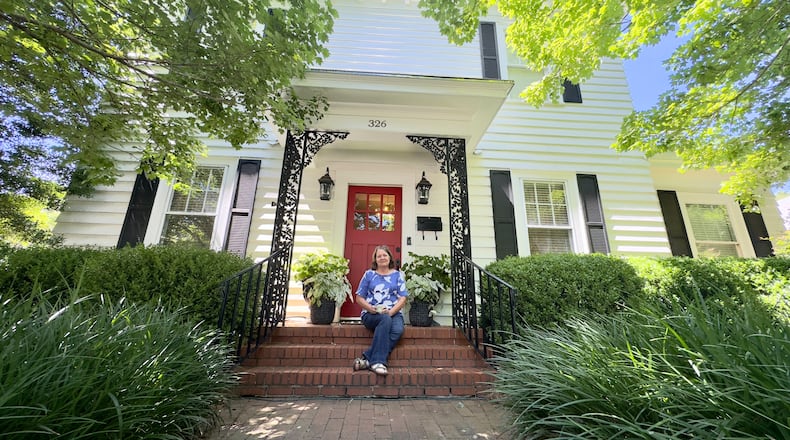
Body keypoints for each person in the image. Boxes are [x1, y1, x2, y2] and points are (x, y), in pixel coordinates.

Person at [352, 245, 408, 376]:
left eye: (385, 255)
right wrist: (370, 309)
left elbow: (403, 298)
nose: (382, 258)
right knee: (384, 319)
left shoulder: (398, 275)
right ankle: (378, 362)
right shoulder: (369, 275)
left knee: (397, 330)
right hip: (371, 314)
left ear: (389, 257)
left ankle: (367, 359)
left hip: (393, 312)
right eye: (379, 256)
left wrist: (391, 312)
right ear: (375, 259)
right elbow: (359, 298)